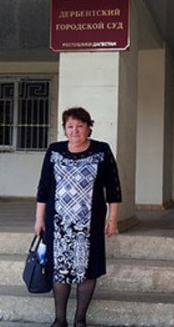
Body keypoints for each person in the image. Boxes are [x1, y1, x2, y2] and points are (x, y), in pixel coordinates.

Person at [35, 107, 121, 327]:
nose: (75, 131)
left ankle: (80, 320)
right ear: (65, 129)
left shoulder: (101, 150)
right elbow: (44, 188)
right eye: (70, 126)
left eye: (80, 126)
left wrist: (112, 218)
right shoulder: (55, 151)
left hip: (90, 224)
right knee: (59, 269)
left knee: (88, 269)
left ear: (88, 127)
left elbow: (113, 188)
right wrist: (39, 219)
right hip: (58, 224)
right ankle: (59, 319)